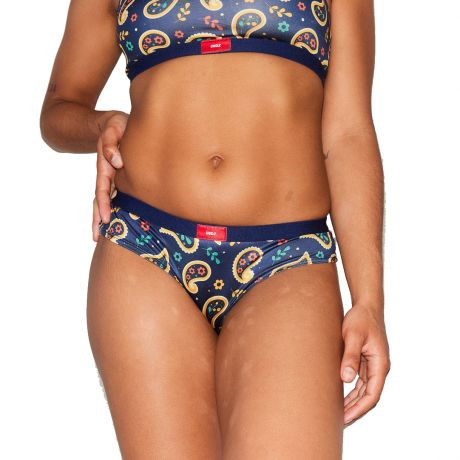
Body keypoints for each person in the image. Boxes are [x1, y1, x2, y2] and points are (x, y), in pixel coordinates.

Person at [40, 0, 390, 458]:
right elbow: (58, 109)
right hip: (146, 248)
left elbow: (348, 133)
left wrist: (369, 300)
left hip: (287, 258)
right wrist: (99, 125)